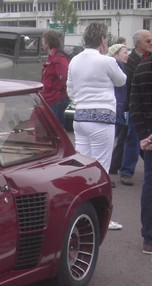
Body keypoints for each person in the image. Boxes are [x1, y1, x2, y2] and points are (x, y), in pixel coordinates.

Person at [67, 23, 126, 230]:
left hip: (80, 117)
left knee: (84, 166)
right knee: (101, 169)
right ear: (102, 40)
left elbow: (70, 90)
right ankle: (103, 217)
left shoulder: (74, 60)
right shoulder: (107, 61)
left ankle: (80, 212)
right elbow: (121, 81)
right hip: (102, 118)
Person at [118, 30, 152, 185]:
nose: (151, 43)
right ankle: (126, 171)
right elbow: (130, 86)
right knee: (132, 138)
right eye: (148, 41)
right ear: (138, 44)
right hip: (136, 107)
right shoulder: (131, 61)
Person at [129, 52, 152, 253]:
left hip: (149, 138)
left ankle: (149, 239)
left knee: (150, 185)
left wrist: (145, 135)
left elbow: (134, 104)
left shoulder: (142, 68)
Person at [107, 44, 129, 176]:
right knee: (111, 141)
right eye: (124, 52)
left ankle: (113, 166)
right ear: (115, 55)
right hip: (116, 107)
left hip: (118, 106)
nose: (127, 55)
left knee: (122, 138)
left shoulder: (121, 66)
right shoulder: (116, 66)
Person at [41, 30, 70, 128]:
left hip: (56, 100)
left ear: (48, 43)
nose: (42, 43)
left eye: (43, 41)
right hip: (50, 98)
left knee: (55, 128)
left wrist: (56, 94)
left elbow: (64, 79)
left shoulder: (59, 59)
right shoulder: (52, 58)